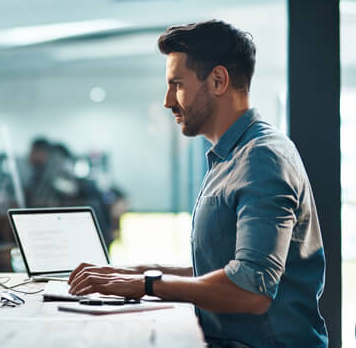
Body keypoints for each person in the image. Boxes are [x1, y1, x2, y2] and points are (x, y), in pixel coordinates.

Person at [68, 20, 328, 348]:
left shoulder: (262, 158)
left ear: (218, 80)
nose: (167, 101)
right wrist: (128, 272)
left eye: (176, 84)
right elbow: (220, 268)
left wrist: (143, 284)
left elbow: (250, 289)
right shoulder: (229, 157)